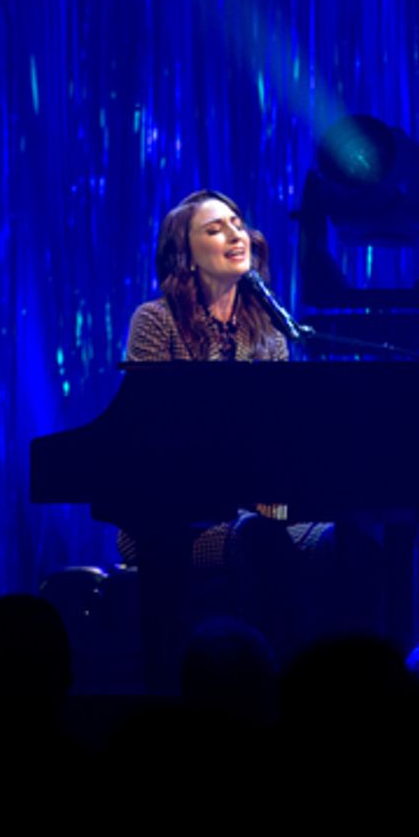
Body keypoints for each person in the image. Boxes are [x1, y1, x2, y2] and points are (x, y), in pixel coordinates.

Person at [119, 189, 336, 657]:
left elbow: (281, 433)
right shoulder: (156, 321)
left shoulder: (268, 331)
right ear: (186, 256)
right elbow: (150, 430)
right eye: (214, 229)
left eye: (237, 223)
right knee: (260, 541)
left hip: (260, 508)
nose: (234, 234)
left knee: (347, 542)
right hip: (174, 520)